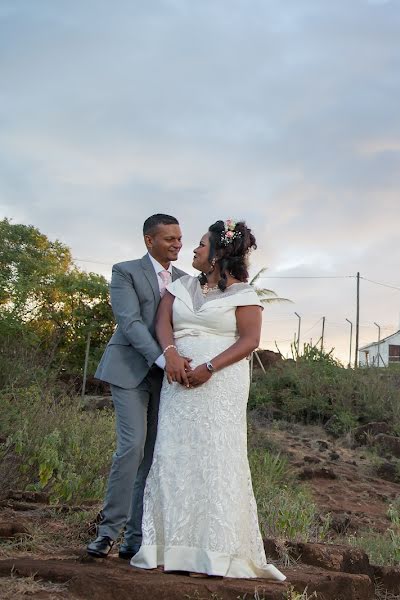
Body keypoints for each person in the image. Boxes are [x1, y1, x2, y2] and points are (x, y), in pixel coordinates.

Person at [130, 219, 285, 581]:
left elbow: (249, 341)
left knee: (215, 457)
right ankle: (168, 548)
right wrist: (170, 353)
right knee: (173, 455)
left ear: (218, 253)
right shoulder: (180, 285)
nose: (194, 250)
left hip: (220, 383)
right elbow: (162, 322)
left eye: (201, 244)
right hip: (178, 380)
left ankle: (213, 553)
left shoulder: (245, 295)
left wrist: (209, 367)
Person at [88, 214, 188, 559]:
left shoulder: (187, 281)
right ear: (149, 240)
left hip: (168, 380)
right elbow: (129, 323)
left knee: (152, 455)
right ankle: (107, 531)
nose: (177, 244)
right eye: (169, 239)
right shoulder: (125, 271)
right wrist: (163, 359)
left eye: (180, 238)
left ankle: (136, 536)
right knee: (131, 448)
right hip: (130, 369)